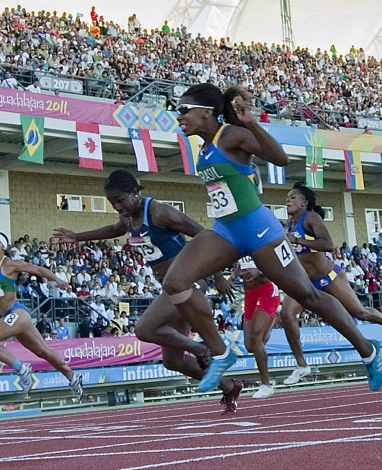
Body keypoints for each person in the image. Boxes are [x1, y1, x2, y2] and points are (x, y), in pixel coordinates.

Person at [162, 83, 382, 394]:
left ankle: (368, 351)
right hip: (225, 230)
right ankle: (221, 353)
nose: (179, 116)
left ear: (207, 111)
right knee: (175, 282)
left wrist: (251, 122)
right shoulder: (203, 146)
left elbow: (280, 158)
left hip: (260, 230)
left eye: (183, 110)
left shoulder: (230, 135)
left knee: (308, 296)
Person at [53, 170, 243, 414]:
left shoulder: (158, 212)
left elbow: (204, 235)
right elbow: (114, 229)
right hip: (169, 287)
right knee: (173, 361)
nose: (117, 207)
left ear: (135, 192)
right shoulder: (128, 217)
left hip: (189, 281)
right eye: (113, 203)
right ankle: (229, 387)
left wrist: (216, 275)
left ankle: (200, 349)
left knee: (144, 329)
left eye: (120, 200)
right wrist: (77, 237)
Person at [281, 183, 382, 385]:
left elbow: (328, 245)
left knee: (360, 312)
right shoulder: (288, 225)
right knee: (287, 314)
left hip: (330, 277)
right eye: (287, 197)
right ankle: (301, 365)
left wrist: (298, 241)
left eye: (293, 197)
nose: (288, 200)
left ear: (304, 203)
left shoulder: (310, 218)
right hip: (307, 283)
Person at [0, 232, 82, 399]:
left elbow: (37, 269)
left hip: (17, 313)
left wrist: (57, 280)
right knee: (42, 351)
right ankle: (73, 377)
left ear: (3, 247)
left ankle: (22, 368)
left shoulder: (10, 265)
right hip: (10, 318)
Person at [231, 256, 280, 398]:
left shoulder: (259, 238)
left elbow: (275, 264)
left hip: (266, 289)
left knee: (256, 337)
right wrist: (233, 275)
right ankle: (274, 320)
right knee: (250, 346)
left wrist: (259, 270)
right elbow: (241, 265)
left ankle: (266, 385)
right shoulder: (236, 242)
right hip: (249, 294)